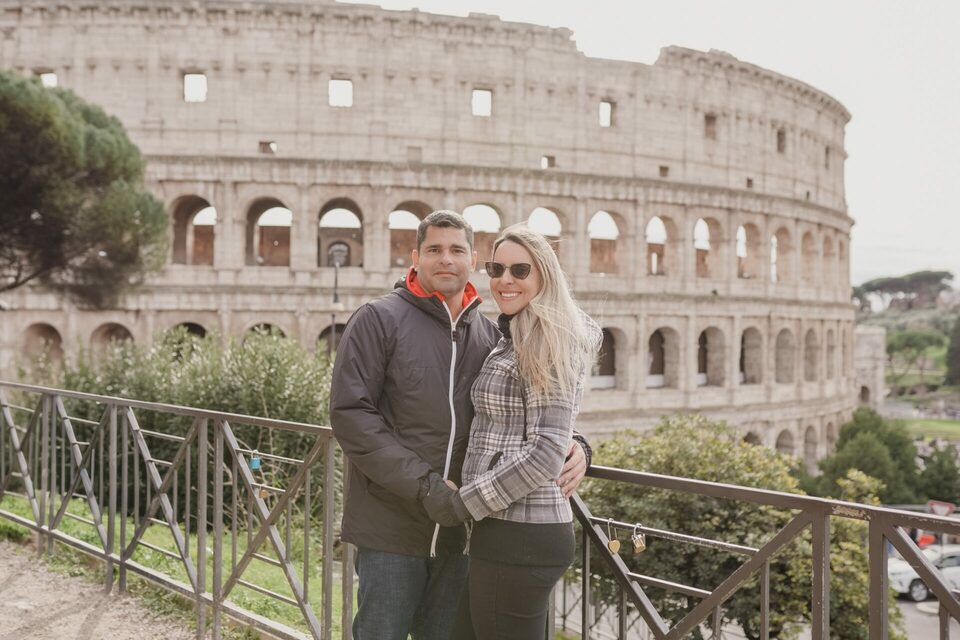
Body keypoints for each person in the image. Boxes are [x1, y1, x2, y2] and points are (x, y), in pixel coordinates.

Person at [329, 210, 592, 640]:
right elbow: (351, 415)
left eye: (457, 250)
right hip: (393, 527)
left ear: (472, 260)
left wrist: (576, 443)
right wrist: (426, 487)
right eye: (434, 249)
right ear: (416, 257)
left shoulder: (490, 336)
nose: (446, 259)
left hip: (463, 533)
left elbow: (528, 412)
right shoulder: (378, 319)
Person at [422, 223, 601, 639]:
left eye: (520, 270)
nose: (505, 280)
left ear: (545, 276)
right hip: (504, 530)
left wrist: (461, 504)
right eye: (496, 268)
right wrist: (577, 441)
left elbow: (544, 452)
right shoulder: (515, 334)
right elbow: (545, 427)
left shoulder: (548, 340)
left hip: (522, 533)